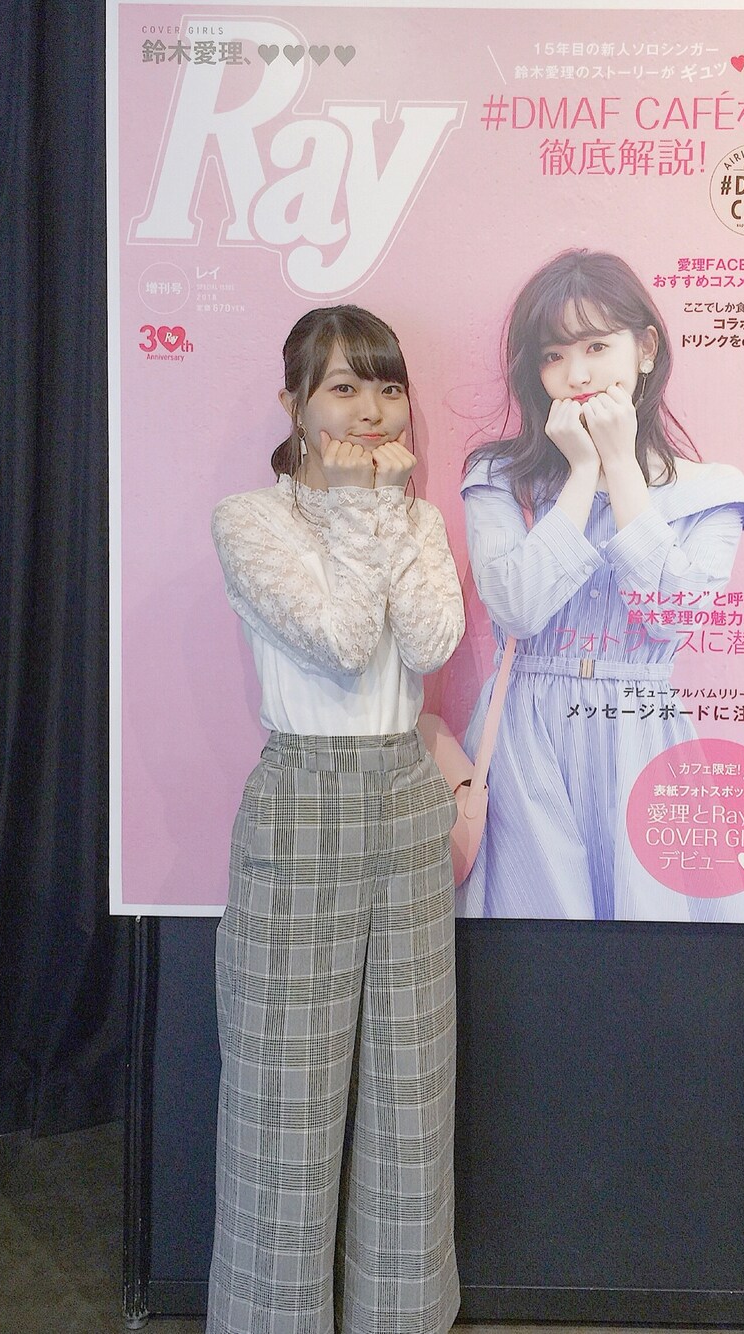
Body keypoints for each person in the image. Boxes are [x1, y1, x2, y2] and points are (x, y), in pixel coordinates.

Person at [207, 306, 464, 1334]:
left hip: (407, 797)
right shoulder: (250, 520)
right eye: (343, 387)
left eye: (387, 387)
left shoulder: (416, 517)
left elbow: (432, 643)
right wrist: (363, 507)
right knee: (284, 1101)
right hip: (302, 798)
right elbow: (342, 641)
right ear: (295, 404)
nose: (370, 410)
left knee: (412, 1092)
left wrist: (390, 511)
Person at [458, 250, 744, 922]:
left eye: (597, 346)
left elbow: (670, 616)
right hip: (526, 734)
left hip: (641, 734)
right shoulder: (498, 476)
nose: (577, 375)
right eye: (554, 355)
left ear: (645, 349)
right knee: (533, 947)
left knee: (647, 951)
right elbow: (518, 609)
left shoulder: (712, 490)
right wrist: (581, 474)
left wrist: (620, 467)